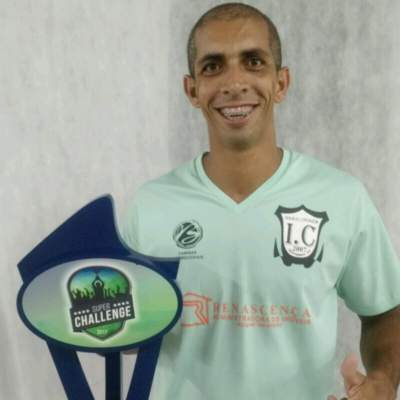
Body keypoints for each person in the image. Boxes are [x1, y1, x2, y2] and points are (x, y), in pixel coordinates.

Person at [121, 3, 400, 399]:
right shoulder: (152, 206)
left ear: (281, 82)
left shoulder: (342, 198)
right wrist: (104, 326)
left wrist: (384, 380)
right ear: (192, 90)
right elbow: (129, 332)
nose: (234, 82)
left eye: (253, 62)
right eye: (213, 66)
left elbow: (386, 311)